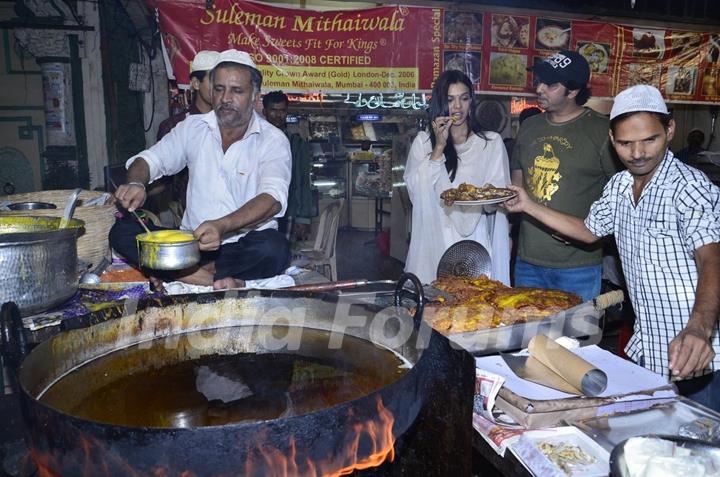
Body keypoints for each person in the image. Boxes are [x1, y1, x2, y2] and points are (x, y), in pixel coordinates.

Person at [504, 85, 720, 410]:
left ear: (670, 130)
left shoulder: (689, 187)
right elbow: (588, 231)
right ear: (611, 138)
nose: (638, 153)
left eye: (650, 139)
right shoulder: (620, 186)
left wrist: (699, 329)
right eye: (625, 143)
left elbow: (712, 258)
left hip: (697, 356)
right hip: (649, 350)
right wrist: (528, 205)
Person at [110, 49, 292, 290]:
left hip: (242, 246)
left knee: (274, 249)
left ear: (254, 96)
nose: (226, 98)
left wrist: (222, 226)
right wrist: (136, 183)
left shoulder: (273, 140)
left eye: (237, 91)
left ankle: (176, 272)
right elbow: (149, 160)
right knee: (121, 232)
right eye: (219, 89)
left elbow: (272, 200)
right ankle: (207, 277)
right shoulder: (192, 128)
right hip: (193, 246)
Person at [510, 49, 618, 301]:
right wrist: (509, 197)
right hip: (528, 261)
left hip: (577, 265)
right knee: (528, 338)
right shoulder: (529, 126)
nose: (539, 88)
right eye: (539, 81)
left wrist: (591, 228)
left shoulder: (602, 132)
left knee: (573, 340)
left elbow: (621, 196)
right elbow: (518, 174)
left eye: (551, 84)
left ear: (573, 91)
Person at [404, 69, 511, 285]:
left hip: (473, 242)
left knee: (474, 307)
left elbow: (495, 197)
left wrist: (495, 203)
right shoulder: (423, 142)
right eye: (450, 99)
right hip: (433, 236)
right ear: (440, 103)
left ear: (472, 102)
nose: (457, 107)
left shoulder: (490, 143)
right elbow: (416, 193)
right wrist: (439, 147)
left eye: (464, 98)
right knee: (434, 308)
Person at [262, 91, 316, 242]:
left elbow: (304, 181)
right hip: (259, 211)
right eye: (273, 110)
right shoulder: (253, 140)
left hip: (288, 210)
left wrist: (303, 218)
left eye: (282, 111)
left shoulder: (296, 143)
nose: (278, 115)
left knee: (285, 254)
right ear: (265, 112)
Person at [157, 50, 219, 140]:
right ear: (196, 83)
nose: (220, 87)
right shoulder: (174, 126)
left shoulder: (229, 124)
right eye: (214, 80)